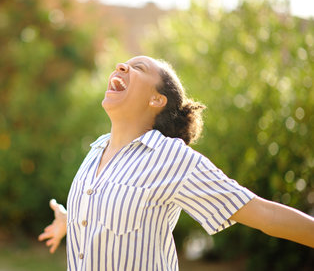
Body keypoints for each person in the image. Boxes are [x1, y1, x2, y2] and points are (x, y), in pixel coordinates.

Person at [38, 56, 314, 270]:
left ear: (157, 99)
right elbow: (107, 213)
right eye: (124, 64)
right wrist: (69, 220)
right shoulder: (96, 150)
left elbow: (264, 214)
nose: (121, 66)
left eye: (138, 67)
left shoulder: (171, 157)